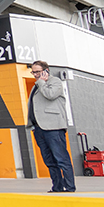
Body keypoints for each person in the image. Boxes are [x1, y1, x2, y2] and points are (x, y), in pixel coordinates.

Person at [28, 60, 75, 193]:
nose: (35, 74)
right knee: (49, 161)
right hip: (39, 128)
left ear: (46, 70)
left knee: (61, 159)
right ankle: (57, 187)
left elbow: (50, 95)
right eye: (33, 72)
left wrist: (42, 81)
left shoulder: (55, 82)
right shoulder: (37, 85)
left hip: (53, 127)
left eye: (37, 71)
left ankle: (69, 187)